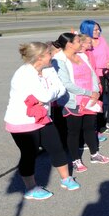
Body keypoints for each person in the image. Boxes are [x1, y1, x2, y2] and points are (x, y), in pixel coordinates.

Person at [5, 42, 79, 200]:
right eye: (49, 54)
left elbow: (61, 90)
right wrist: (49, 93)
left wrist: (49, 93)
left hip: (42, 117)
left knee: (57, 147)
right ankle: (31, 188)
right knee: (29, 155)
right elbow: (46, 96)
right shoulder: (25, 73)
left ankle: (66, 179)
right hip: (22, 122)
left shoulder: (48, 69)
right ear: (39, 57)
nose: (52, 55)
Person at [51, 33, 109, 173]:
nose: (81, 44)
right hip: (73, 101)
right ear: (69, 44)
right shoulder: (58, 60)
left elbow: (92, 75)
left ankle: (94, 154)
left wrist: (95, 91)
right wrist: (89, 93)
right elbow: (66, 84)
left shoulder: (82, 56)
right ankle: (75, 160)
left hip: (90, 99)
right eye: (78, 41)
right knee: (74, 131)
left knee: (90, 127)